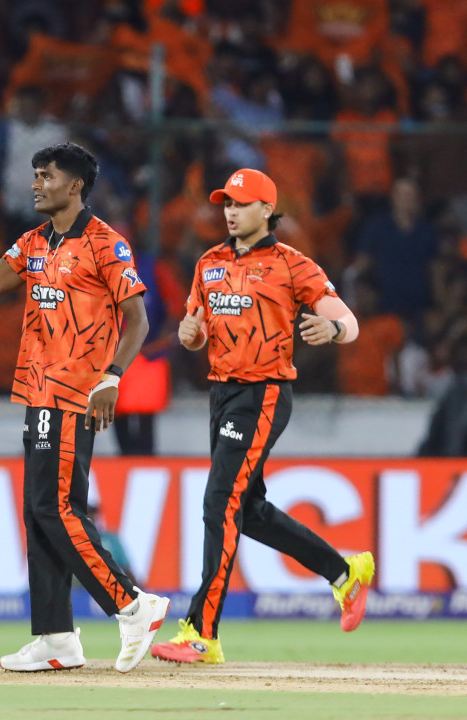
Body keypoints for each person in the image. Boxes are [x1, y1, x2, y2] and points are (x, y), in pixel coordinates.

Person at [0, 142, 170, 674]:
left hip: (74, 392)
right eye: (35, 175)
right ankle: (56, 637)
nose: (36, 184)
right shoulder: (34, 242)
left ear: (75, 186)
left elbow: (138, 319)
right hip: (37, 391)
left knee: (56, 510)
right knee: (38, 515)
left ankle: (133, 605)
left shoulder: (106, 244)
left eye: (46, 176)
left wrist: (112, 376)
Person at [151, 169, 375, 665]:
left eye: (241, 203)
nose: (230, 212)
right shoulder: (209, 263)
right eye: (226, 203)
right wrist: (191, 335)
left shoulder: (293, 264)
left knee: (219, 502)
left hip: (263, 394)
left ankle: (202, 634)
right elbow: (197, 331)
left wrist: (334, 331)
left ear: (267, 210)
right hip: (221, 394)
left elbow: (349, 320)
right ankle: (344, 574)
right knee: (247, 510)